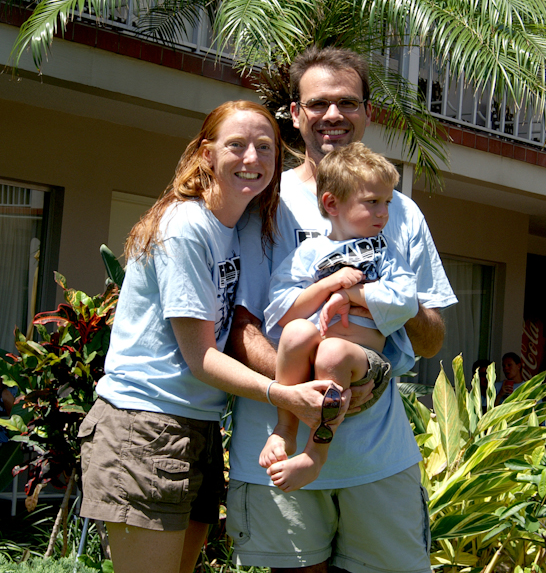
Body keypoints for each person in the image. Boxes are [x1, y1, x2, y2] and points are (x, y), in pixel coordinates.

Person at [76, 100, 342, 573]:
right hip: (146, 423)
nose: (252, 158)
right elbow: (200, 358)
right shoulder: (185, 228)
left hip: (197, 426)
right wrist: (285, 393)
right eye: (236, 145)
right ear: (206, 154)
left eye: (265, 147)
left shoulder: (235, 227)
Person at [227, 46, 458, 573]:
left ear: (368, 112)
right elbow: (240, 325)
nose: (333, 115)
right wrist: (305, 390)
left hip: (379, 458)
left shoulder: (398, 209)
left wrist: (372, 313)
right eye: (318, 103)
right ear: (295, 113)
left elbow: (432, 338)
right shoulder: (263, 198)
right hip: (276, 456)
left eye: (348, 102)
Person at [260, 144, 418, 492]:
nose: (383, 213)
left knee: (333, 352)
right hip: (315, 349)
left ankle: (315, 454)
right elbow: (283, 310)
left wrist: (350, 296)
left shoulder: (386, 254)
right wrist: (329, 285)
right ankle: (284, 429)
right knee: (297, 332)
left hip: (361, 360)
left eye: (387, 203)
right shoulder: (309, 253)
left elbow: (406, 301)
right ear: (332, 204)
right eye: (372, 202)